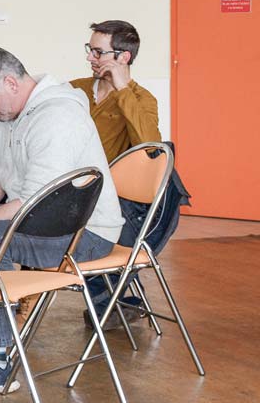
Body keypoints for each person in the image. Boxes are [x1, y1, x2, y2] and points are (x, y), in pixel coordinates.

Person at [0, 45, 125, 398]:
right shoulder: (7, 119)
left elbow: (30, 205)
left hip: (86, 235)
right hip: (46, 225)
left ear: (11, 82)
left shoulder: (57, 118)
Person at [71, 21, 190, 326]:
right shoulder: (75, 90)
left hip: (110, 198)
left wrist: (122, 89)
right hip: (70, 190)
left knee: (112, 221)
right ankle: (114, 302)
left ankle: (108, 301)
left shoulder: (140, 99)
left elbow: (151, 149)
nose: (90, 58)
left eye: (98, 52)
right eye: (90, 50)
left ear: (123, 57)